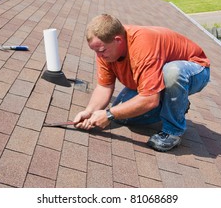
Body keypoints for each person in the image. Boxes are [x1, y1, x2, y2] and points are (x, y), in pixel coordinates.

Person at [73, 14, 210, 152]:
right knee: (122, 115)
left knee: (172, 72)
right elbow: (104, 86)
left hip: (195, 70)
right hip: (159, 76)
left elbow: (150, 100)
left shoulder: (142, 46)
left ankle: (173, 131)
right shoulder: (105, 49)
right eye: (95, 51)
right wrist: (90, 112)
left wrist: (108, 114)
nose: (99, 56)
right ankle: (176, 104)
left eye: (101, 50)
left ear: (118, 40)